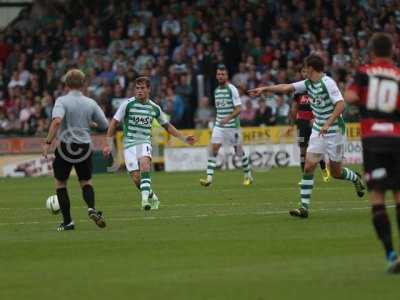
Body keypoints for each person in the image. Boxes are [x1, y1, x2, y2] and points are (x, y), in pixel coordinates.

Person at [249, 54, 365, 218]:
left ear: (311, 68)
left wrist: (327, 123)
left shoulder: (328, 83)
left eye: (306, 68)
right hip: (319, 130)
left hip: (335, 131)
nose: (304, 71)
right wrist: (265, 89)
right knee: (309, 165)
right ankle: (304, 208)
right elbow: (286, 87)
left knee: (335, 172)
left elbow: (341, 105)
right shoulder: (307, 83)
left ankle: (355, 179)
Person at [345, 33, 400, 273]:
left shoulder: (364, 72)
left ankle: (390, 254)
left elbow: (351, 96)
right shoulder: (398, 74)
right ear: (393, 50)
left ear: (372, 51)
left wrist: (366, 105)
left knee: (377, 196)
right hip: (397, 139)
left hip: (373, 140)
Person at [103, 76, 196, 210]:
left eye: (142, 88)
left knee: (145, 165)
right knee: (136, 178)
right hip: (129, 144)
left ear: (148, 89)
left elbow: (167, 126)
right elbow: (113, 123)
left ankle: (145, 201)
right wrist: (108, 144)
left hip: (144, 142)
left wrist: (184, 138)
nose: (139, 91)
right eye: (137, 88)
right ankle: (151, 195)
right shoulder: (127, 104)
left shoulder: (154, 108)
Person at [42, 69, 109, 231]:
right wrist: (90, 123)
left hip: (66, 146)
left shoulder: (62, 101)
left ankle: (68, 222)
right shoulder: (90, 103)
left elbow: (57, 121)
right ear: (83, 84)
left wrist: (48, 142)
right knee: (85, 182)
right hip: (84, 146)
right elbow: (105, 125)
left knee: (61, 183)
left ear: (66, 84)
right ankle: (92, 208)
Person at [200, 64, 253, 187]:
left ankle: (248, 175)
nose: (220, 76)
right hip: (219, 126)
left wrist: (228, 118)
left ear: (227, 76)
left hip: (232, 126)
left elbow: (239, 109)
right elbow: (220, 109)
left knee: (238, 152)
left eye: (223, 74)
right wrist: (217, 121)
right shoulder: (216, 91)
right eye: (218, 74)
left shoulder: (232, 89)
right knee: (214, 150)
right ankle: (208, 178)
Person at [288, 66, 330, 182]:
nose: (305, 73)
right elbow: (294, 107)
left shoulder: (315, 87)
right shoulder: (299, 90)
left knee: (316, 149)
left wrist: (317, 119)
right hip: (301, 123)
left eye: (307, 71)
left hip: (314, 123)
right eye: (303, 71)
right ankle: (304, 176)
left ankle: (324, 169)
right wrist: (291, 123)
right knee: (302, 150)